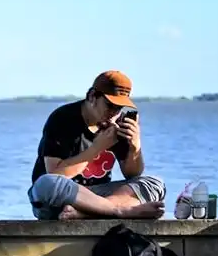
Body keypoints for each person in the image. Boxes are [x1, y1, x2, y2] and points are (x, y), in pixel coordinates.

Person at [28, 70, 166, 220]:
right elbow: (56, 173)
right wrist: (97, 148)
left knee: (155, 184)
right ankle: (120, 211)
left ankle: (85, 213)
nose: (113, 113)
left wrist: (135, 146)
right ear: (92, 96)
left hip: (98, 198)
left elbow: (131, 174)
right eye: (109, 105)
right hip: (59, 200)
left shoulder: (117, 127)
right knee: (45, 183)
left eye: (119, 108)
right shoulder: (63, 118)